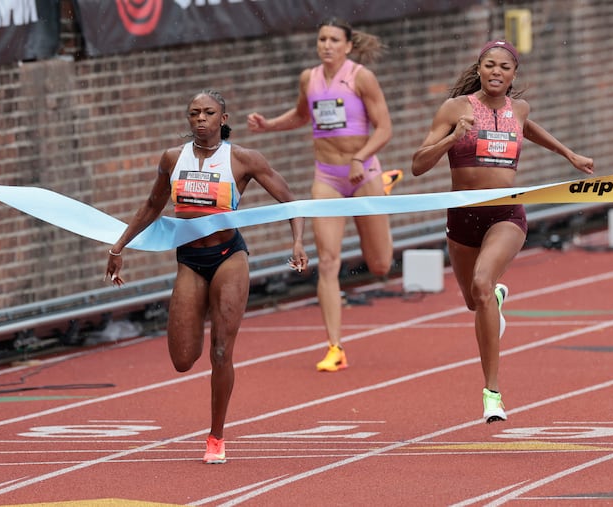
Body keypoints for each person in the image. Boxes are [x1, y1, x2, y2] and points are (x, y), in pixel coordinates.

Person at [105, 90, 308, 463]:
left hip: (229, 256)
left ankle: (216, 436)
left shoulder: (243, 159)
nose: (200, 119)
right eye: (194, 113)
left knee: (220, 351)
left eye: (208, 113)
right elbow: (153, 205)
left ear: (223, 118)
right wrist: (119, 247)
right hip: (190, 259)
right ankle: (196, 316)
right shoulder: (172, 158)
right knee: (183, 359)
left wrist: (297, 241)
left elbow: (291, 200)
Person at [411, 40, 594, 423]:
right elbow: (417, 165)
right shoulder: (455, 109)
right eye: (490, 65)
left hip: (506, 216)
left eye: (504, 67)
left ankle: (492, 392)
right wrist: (452, 137)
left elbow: (529, 127)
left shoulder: (519, 109)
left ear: (513, 74)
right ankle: (493, 295)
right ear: (479, 69)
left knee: (479, 283)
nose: (497, 72)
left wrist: (569, 154)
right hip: (462, 218)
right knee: (473, 300)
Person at [247, 18, 398, 372]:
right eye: (322, 39)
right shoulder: (309, 78)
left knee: (379, 265)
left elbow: (385, 127)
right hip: (327, 178)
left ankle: (386, 183)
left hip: (364, 175)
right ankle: (335, 347)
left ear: (347, 46)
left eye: (333, 40)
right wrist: (270, 124)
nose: (326, 45)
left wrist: (361, 157)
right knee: (328, 262)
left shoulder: (361, 77)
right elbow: (302, 115)